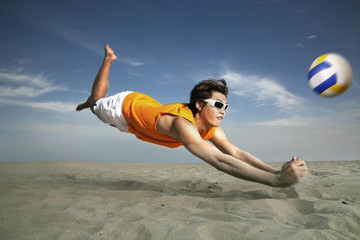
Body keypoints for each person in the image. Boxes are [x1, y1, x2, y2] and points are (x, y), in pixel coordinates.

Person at [76, 44, 308, 187]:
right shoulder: (182, 125)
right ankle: (108, 61)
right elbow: (218, 159)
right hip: (123, 107)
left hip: (143, 114)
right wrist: (277, 182)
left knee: (122, 126)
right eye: (218, 104)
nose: (222, 111)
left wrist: (276, 171)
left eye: (226, 107)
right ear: (199, 104)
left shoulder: (211, 127)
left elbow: (235, 153)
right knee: (95, 101)